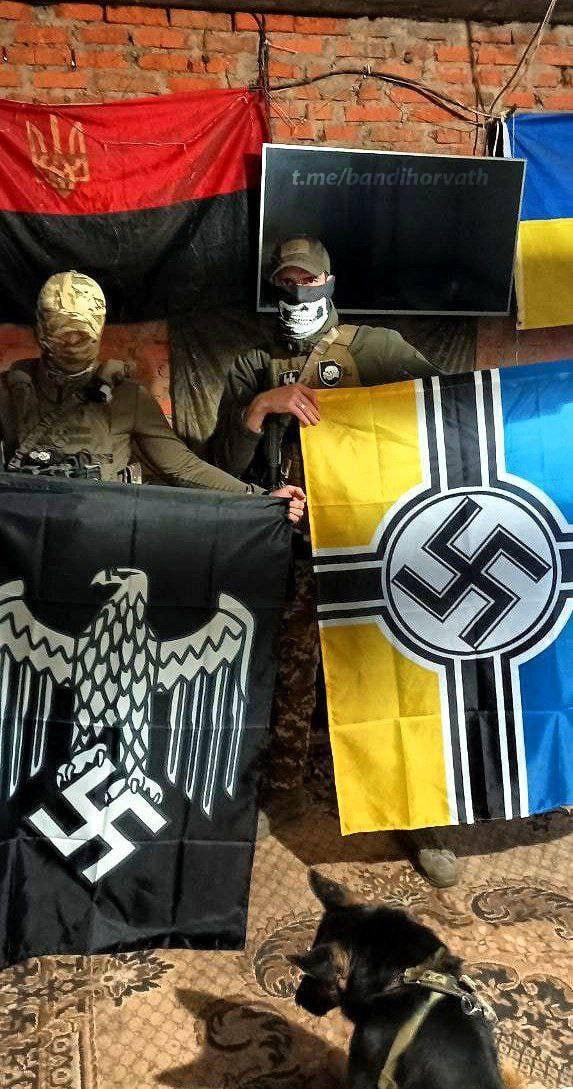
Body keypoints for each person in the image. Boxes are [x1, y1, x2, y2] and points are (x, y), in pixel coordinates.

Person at [211, 236, 459, 888]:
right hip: (293, 547)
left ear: (329, 282)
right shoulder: (253, 364)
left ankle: (416, 812)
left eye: (308, 281)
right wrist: (258, 410)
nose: (298, 295)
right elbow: (220, 466)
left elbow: (453, 409)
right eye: (286, 283)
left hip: (374, 549)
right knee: (288, 677)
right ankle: (283, 791)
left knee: (394, 679)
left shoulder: (375, 349)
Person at [0, 270, 305, 526]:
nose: (72, 342)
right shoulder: (9, 392)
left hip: (98, 534)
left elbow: (183, 468)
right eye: (63, 332)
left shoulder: (125, 396)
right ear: (41, 329)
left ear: (100, 329)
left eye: (81, 334)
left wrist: (261, 498)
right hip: (25, 536)